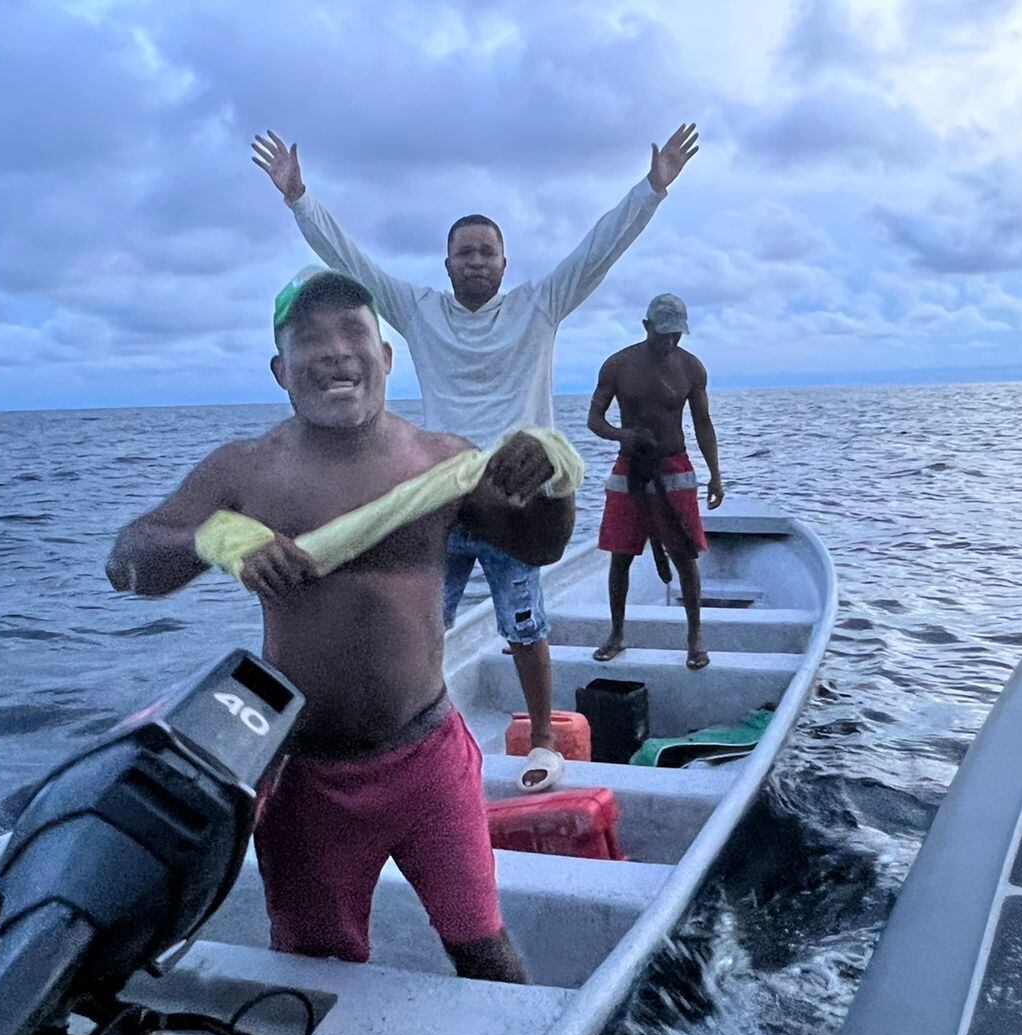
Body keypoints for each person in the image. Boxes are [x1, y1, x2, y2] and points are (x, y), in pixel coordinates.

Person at [105, 272, 576, 983]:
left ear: (386, 357)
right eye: (309, 341)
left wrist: (553, 480)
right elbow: (128, 563)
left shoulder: (443, 462)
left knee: (482, 947)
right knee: (318, 967)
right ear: (280, 371)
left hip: (429, 756)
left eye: (353, 332)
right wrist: (214, 537)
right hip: (304, 773)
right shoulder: (244, 470)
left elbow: (539, 546)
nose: (334, 353)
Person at [250, 123, 701, 792]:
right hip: (439, 502)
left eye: (488, 252)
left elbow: (599, 248)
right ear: (447, 264)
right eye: (465, 253)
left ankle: (544, 737)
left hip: (518, 504)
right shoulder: (418, 310)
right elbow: (351, 261)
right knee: (423, 625)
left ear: (504, 263)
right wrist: (298, 199)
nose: (476, 262)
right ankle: (422, 739)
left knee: (526, 624)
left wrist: (654, 187)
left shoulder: (540, 305)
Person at [587, 293, 724, 670]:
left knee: (684, 555)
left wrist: (715, 475)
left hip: (675, 468)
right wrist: (622, 435)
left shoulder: (691, 368)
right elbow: (595, 420)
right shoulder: (618, 365)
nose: (669, 342)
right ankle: (617, 632)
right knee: (621, 555)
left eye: (676, 335)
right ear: (646, 327)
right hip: (630, 468)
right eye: (662, 334)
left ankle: (695, 636)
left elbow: (702, 423)